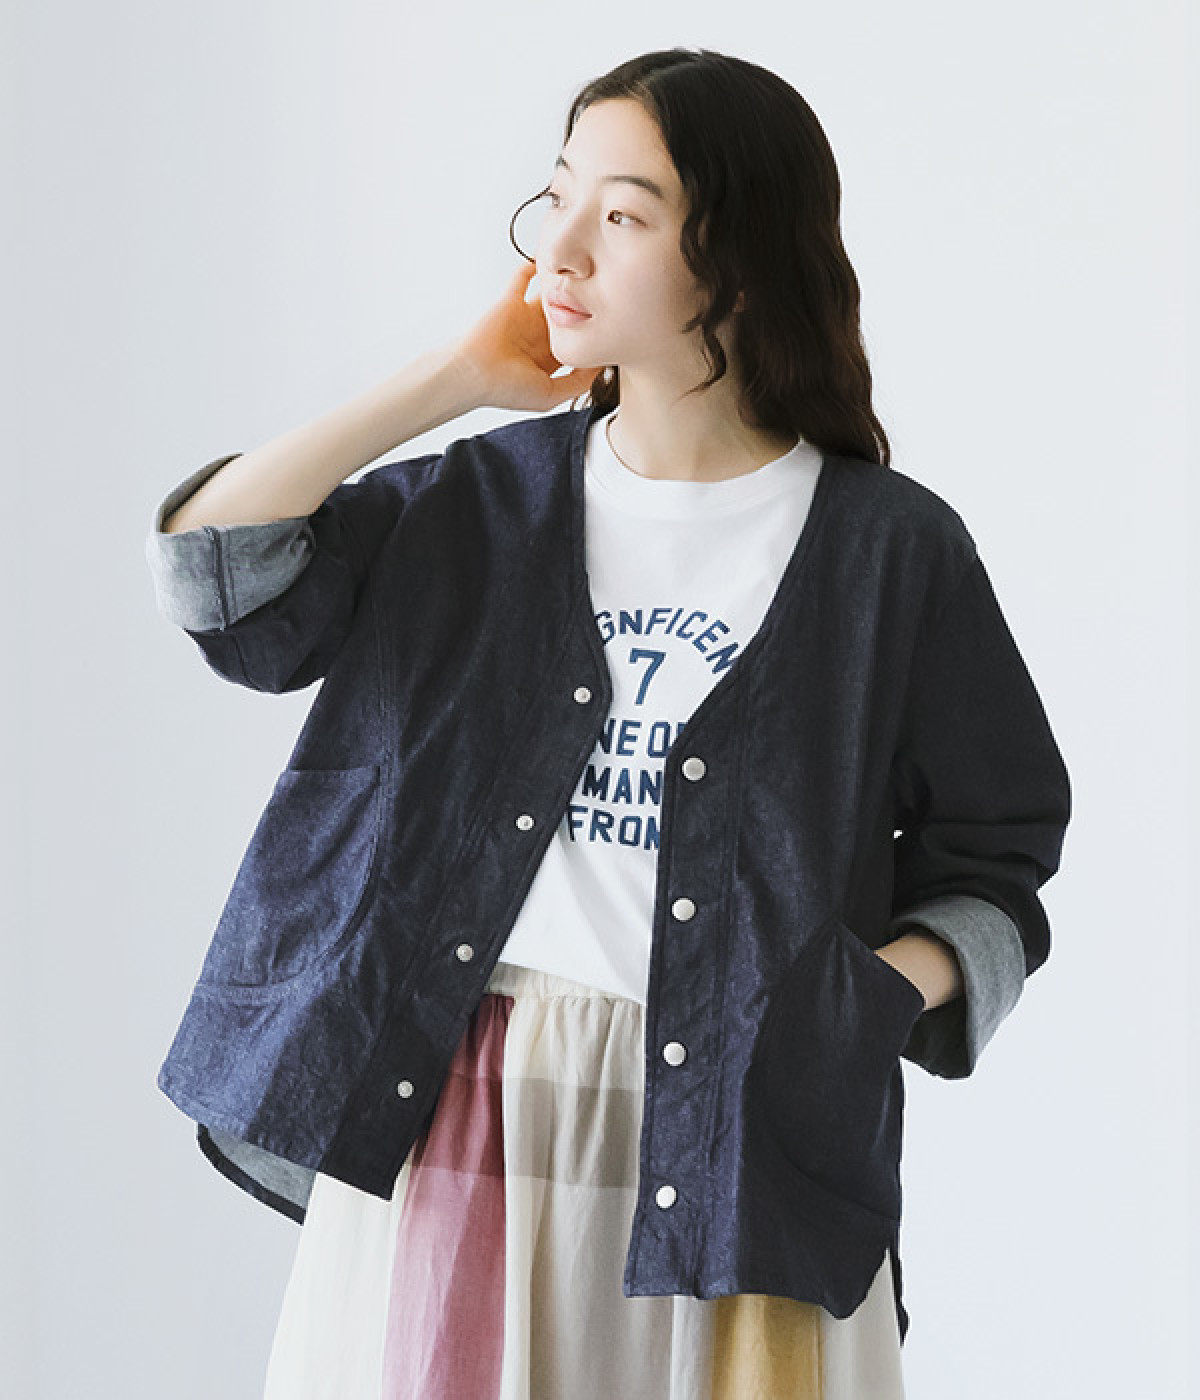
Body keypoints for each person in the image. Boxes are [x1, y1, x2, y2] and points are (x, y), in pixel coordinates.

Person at [145, 47, 1071, 1400]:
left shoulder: (892, 554)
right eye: (559, 197)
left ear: (736, 264)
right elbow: (215, 575)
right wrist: (446, 380)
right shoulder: (476, 504)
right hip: (462, 1112)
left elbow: (998, 856)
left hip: (748, 1144)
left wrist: (868, 998)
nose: (560, 249)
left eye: (624, 215)